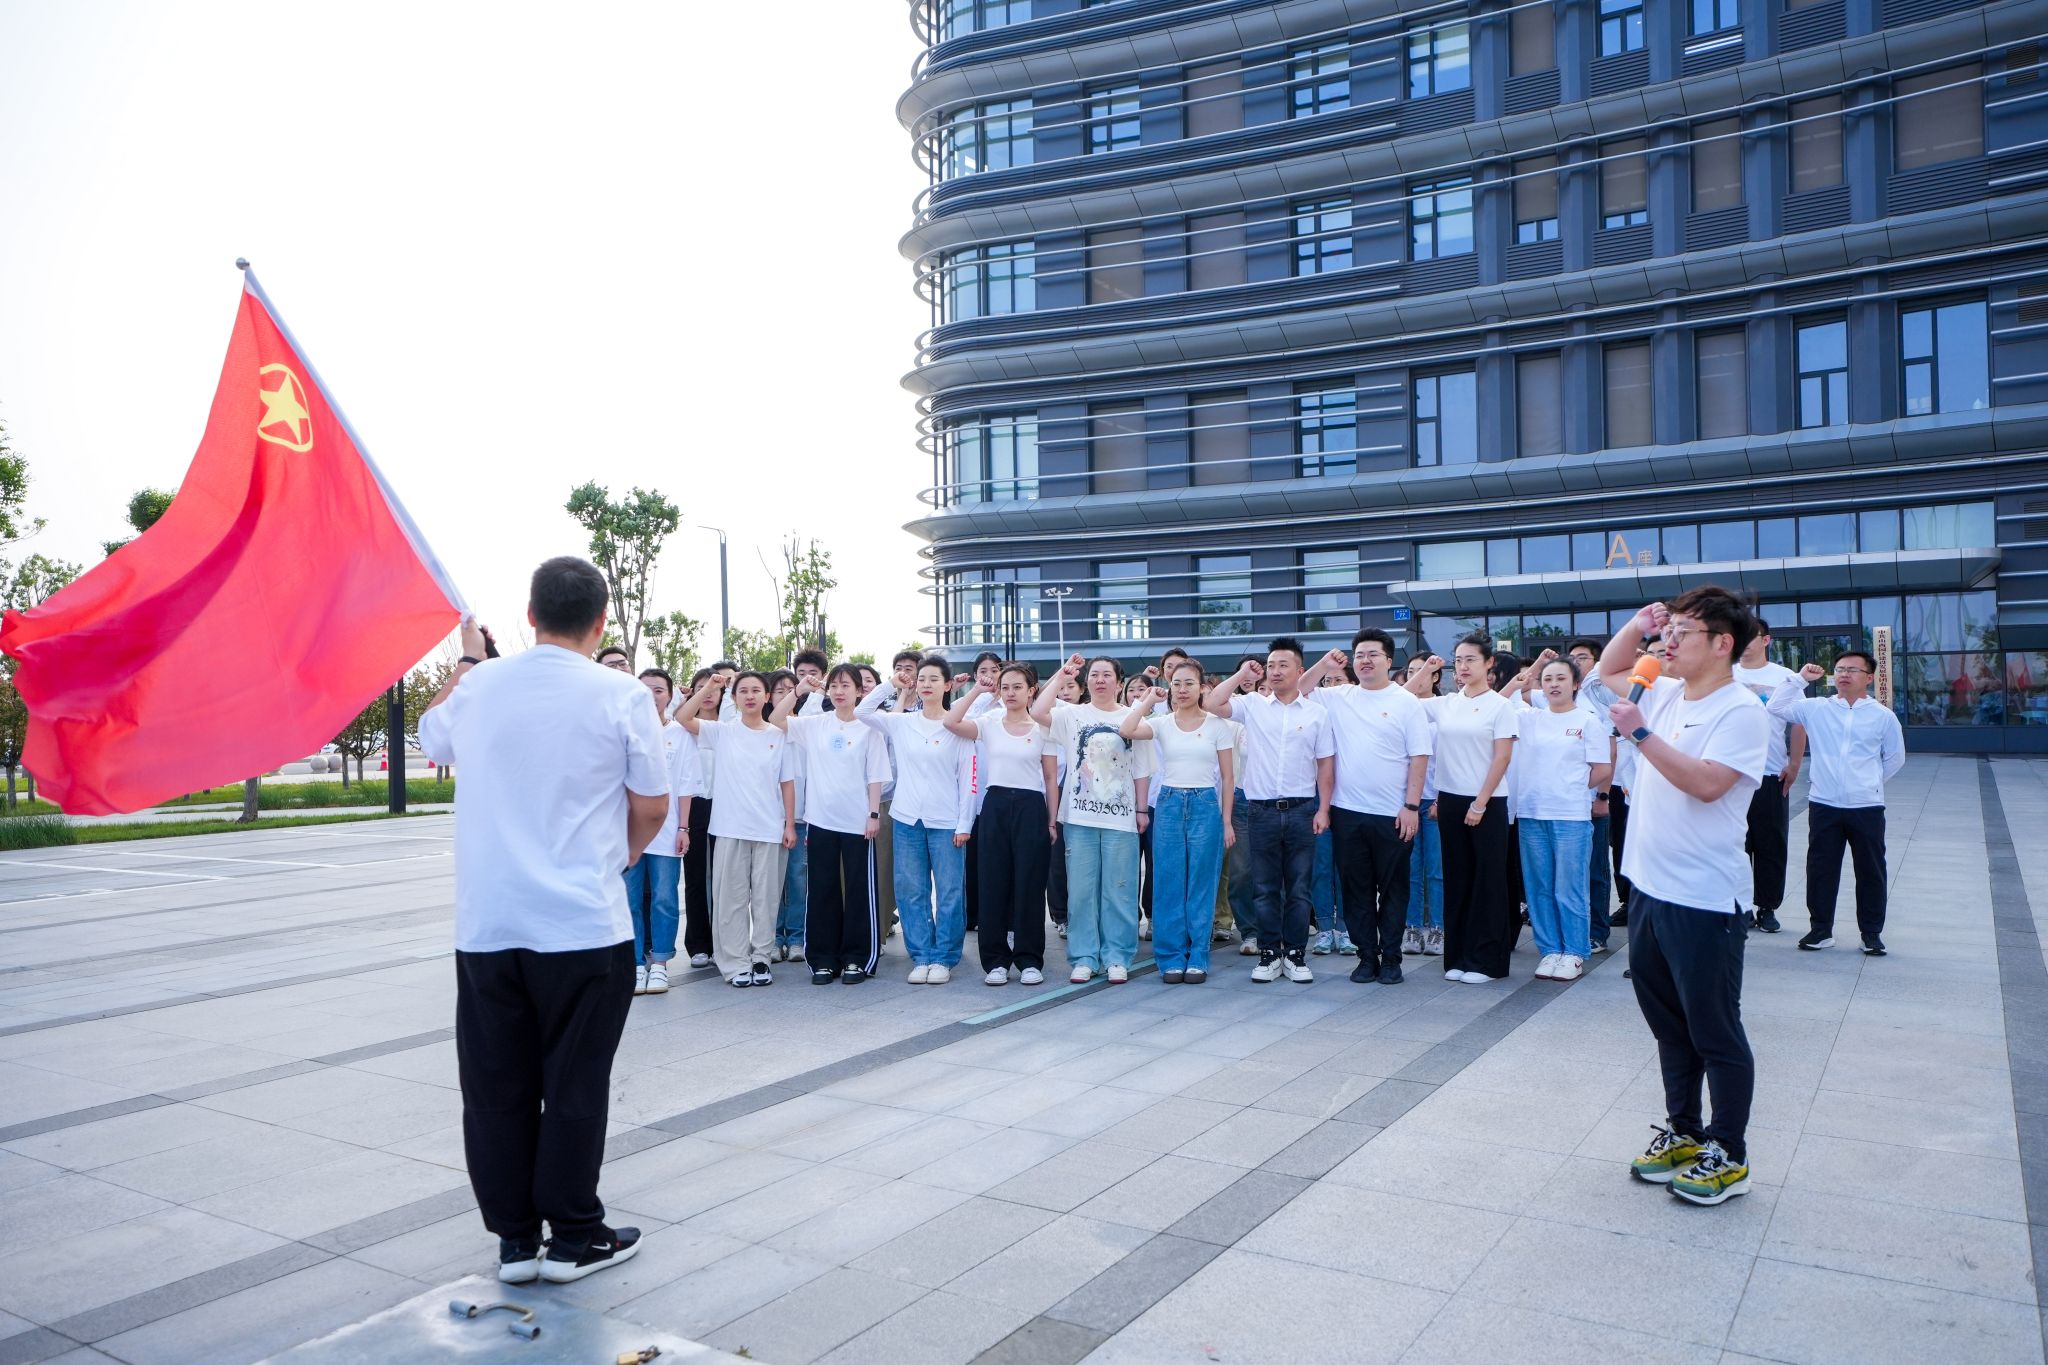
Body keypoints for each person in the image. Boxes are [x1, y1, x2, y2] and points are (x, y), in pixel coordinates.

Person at [416, 557, 664, 1285]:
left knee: (497, 1087)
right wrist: (622, 855)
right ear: (601, 621)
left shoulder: (480, 685)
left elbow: (432, 740)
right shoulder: (622, 693)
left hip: (488, 925)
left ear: (530, 615)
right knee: (575, 1082)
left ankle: (516, 1241)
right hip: (583, 924)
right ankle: (575, 1235)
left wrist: (468, 659)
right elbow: (652, 804)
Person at [1601, 589, 1771, 1207]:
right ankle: (1684, 1132)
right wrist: (1635, 623)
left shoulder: (1741, 710)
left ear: (1723, 643)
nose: (1667, 642)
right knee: (1670, 1028)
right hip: (1649, 889)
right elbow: (1610, 672)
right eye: (1666, 630)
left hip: (1704, 900)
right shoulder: (1668, 690)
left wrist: (1641, 734)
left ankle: (1729, 1152)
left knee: (1715, 1031)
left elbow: (1707, 784)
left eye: (1683, 632)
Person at [1298, 632, 1430, 985]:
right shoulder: (1339, 697)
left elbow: (1419, 757)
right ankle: (1367, 956)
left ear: (1389, 660)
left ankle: (1392, 958)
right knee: (1356, 890)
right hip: (1347, 812)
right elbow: (1298, 690)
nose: (1365, 660)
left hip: (1394, 814)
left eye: (1373, 654)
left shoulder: (1406, 702)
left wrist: (1411, 805)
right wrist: (1324, 665)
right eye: (1359, 655)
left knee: (1394, 889)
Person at [1202, 638, 1334, 985]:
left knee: (1299, 888)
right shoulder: (1253, 706)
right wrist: (1242, 674)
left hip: (1302, 810)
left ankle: (1295, 954)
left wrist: (1323, 809)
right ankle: (1269, 953)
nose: (1275, 671)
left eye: (1282, 665)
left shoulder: (1316, 714)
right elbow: (1212, 703)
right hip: (1260, 811)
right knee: (1264, 887)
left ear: (1300, 670)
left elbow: (1325, 765)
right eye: (1271, 665)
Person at [1768, 652, 1905, 954]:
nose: (1844, 674)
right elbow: (1775, 707)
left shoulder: (1883, 716)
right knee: (1821, 868)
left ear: (1869, 677)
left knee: (1871, 870)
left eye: (1852, 669)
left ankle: (1871, 933)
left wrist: (1869, 783)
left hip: (1866, 806)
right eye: (1840, 669)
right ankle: (1820, 930)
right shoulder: (1817, 708)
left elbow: (1895, 758)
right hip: (1824, 804)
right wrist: (1800, 679)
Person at [1032, 654, 1153, 984]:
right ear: (1086, 682)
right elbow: (1038, 711)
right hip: (1079, 819)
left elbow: (1141, 769)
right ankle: (1084, 956)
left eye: (1107, 675)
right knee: (1082, 890)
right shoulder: (1072, 715)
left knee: (1119, 889)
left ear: (1119, 682)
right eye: (1094, 675)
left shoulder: (1132, 717)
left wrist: (1142, 810)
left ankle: (1117, 956)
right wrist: (1062, 674)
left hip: (1121, 819)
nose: (1100, 680)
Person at [675, 671, 798, 988]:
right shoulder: (722, 732)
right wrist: (709, 687)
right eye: (743, 691)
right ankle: (735, 962)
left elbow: (787, 783)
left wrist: (789, 824)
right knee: (730, 899)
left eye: (757, 690)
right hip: (730, 828)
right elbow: (683, 717)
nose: (750, 696)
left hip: (769, 828)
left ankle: (761, 957)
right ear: (734, 698)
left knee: (766, 899)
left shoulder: (778, 735)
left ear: (767, 697)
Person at [1405, 636, 1516, 983]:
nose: (1463, 667)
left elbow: (1502, 757)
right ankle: (1458, 957)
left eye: (1471, 659)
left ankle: (1487, 962)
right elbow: (1402, 698)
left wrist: (1480, 803)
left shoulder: (1500, 706)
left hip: (1487, 801)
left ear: (1489, 663)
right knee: (1457, 879)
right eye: (1458, 660)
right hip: (1450, 800)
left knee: (1488, 881)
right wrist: (1427, 668)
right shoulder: (1447, 703)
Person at [859, 655, 975, 982]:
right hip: (907, 819)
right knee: (911, 890)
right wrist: (891, 685)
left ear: (948, 685)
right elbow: (863, 712)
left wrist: (965, 823)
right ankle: (921, 955)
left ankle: (944, 957)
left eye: (934, 679)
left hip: (947, 821)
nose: (926, 684)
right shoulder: (902, 722)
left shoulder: (957, 726)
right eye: (921, 678)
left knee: (950, 891)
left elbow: (969, 780)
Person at [774, 664, 892, 984]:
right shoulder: (816, 724)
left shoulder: (869, 727)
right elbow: (776, 719)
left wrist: (873, 815)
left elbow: (876, 775)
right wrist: (798, 690)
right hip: (820, 820)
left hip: (858, 823)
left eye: (846, 685)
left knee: (858, 890)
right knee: (821, 890)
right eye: (834, 686)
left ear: (859, 691)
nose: (839, 692)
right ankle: (823, 960)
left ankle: (857, 958)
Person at [1120, 663, 1234, 984]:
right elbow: (1127, 728)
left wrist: (1226, 821)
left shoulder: (1217, 726)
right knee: (1168, 880)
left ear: (1201, 687)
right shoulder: (1162, 723)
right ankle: (1170, 956)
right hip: (1169, 803)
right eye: (1176, 683)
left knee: (1201, 881)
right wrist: (1148, 700)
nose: (1182, 689)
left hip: (1205, 804)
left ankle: (1198, 953)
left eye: (1189, 683)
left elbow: (1227, 778)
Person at [946, 663, 1055, 985]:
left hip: (1031, 807)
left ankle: (1029, 960)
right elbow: (951, 722)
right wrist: (978, 690)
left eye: (1017, 687)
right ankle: (995, 961)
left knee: (1030, 884)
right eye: (1005, 687)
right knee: (993, 883)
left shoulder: (1043, 727)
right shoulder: (989, 722)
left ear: (1031, 690)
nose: (1010, 693)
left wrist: (1052, 820)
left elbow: (1050, 778)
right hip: (994, 805)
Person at [1516, 658, 1613, 982]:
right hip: (1532, 813)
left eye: (1561, 678)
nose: (1554, 684)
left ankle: (1573, 951)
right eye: (1548, 679)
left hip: (1570, 815)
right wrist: (1531, 671)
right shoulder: (1528, 718)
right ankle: (1550, 950)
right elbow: (1497, 702)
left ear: (1575, 684)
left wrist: (1572, 788)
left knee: (1568, 887)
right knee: (1539, 887)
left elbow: (1602, 768)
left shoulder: (1588, 720)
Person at [625, 669, 698, 995]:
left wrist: (683, 827)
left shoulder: (680, 734)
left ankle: (660, 963)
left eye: (658, 690)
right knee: (629, 899)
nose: (652, 696)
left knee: (665, 898)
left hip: (667, 830)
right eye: (645, 690)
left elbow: (686, 784)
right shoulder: (625, 730)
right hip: (628, 831)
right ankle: (634, 963)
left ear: (670, 695)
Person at [1732, 623, 1806, 934]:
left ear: (1766, 640)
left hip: (1770, 771)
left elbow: (1799, 723)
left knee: (1771, 843)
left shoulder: (1785, 677)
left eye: (1751, 637)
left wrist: (1795, 763)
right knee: (1734, 845)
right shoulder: (1723, 672)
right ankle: (1739, 906)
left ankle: (1767, 907)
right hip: (1729, 774)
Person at [1566, 639, 1618, 952]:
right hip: (1565, 804)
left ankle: (1598, 930)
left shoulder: (1601, 697)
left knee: (1596, 870)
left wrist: (1602, 796)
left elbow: (1610, 752)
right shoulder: (1562, 698)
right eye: (1571, 657)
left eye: (1582, 657)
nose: (1576, 662)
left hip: (1592, 800)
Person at [677, 666, 721, 969]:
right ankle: (698, 944)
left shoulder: (730, 724)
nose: (708, 693)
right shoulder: (683, 727)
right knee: (695, 877)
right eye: (702, 687)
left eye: (714, 687)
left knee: (724, 878)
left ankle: (723, 941)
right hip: (693, 806)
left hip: (725, 805)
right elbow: (679, 714)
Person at [1402, 655, 1445, 958]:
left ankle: (1439, 927)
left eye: (1424, 671)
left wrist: (1442, 797)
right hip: (1406, 802)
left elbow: (1452, 757)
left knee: (1437, 870)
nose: (1417, 677)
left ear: (1436, 677)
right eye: (1411, 672)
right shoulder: (1400, 708)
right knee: (1410, 870)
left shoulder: (1444, 708)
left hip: (1434, 799)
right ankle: (1412, 927)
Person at [766, 670, 809, 963]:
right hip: (769, 817)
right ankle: (771, 937)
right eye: (779, 691)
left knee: (797, 879)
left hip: (802, 817)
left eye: (790, 690)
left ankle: (796, 938)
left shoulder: (806, 727)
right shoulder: (764, 730)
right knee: (770, 881)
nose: (784, 695)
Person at [1045, 668, 1084, 938]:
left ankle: (1082, 912)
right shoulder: (1054, 714)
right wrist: (1059, 676)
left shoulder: (1089, 714)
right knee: (1057, 857)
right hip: (1056, 790)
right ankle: (1060, 914)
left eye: (1071, 686)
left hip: (1086, 791)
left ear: (1082, 689)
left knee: (1082, 857)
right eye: (1062, 687)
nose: (1066, 692)